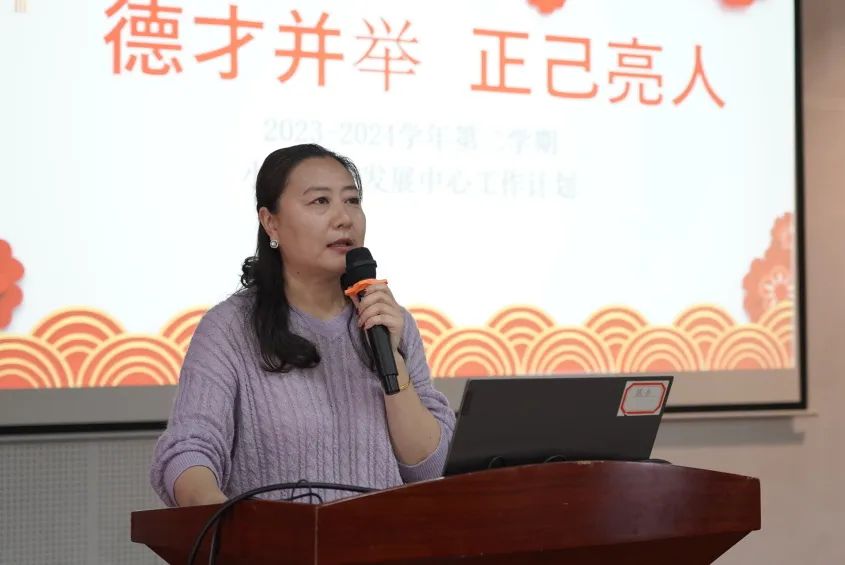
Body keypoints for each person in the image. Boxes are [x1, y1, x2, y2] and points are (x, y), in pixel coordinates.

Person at [150, 144, 456, 506]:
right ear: (271, 222)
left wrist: (393, 362)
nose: (344, 218)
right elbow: (189, 452)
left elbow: (430, 468)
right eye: (320, 201)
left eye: (352, 200)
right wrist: (233, 525)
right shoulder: (229, 329)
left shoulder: (388, 321)